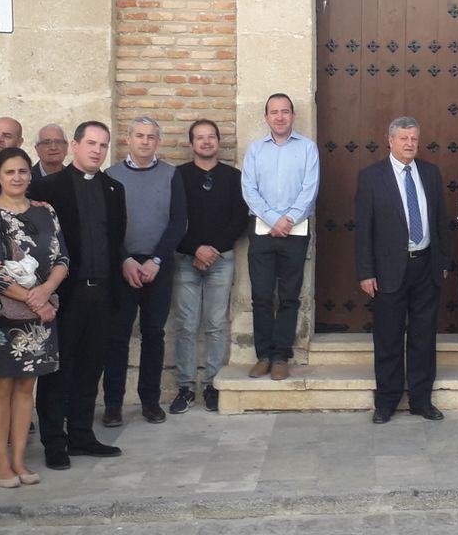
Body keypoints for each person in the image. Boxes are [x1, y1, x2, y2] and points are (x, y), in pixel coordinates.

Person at [30, 121, 127, 470]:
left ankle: (82, 435)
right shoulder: (47, 188)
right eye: (91, 143)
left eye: (103, 145)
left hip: (102, 292)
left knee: (90, 367)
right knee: (58, 372)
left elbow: (116, 240)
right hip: (65, 295)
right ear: (75, 146)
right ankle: (54, 443)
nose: (97, 150)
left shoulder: (114, 189)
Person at [0, 147, 67, 488]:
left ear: (30, 175)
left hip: (40, 316)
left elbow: (62, 258)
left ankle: (19, 460)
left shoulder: (45, 211)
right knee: (0, 387)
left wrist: (46, 292)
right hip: (3, 316)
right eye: (10, 171)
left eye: (23, 171)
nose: (17, 177)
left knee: (27, 387)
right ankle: (1, 463)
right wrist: (34, 299)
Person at [356, 117, 453, 423]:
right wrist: (366, 271)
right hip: (388, 269)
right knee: (388, 337)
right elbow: (363, 229)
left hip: (426, 265)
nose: (410, 143)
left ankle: (421, 401)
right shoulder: (371, 177)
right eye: (403, 138)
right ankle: (386, 402)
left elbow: (440, 220)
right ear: (390, 141)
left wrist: (442, 261)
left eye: (414, 138)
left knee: (424, 337)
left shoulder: (430, 173)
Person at [104, 118, 187, 426]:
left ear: (158, 141)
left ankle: (150, 401)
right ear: (128, 139)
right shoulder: (111, 176)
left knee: (154, 333)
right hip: (122, 266)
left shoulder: (171, 175)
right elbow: (107, 225)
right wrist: (125, 259)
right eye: (139, 136)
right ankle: (113, 404)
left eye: (151, 137)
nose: (145, 141)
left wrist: (157, 260)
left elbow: (178, 221)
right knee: (117, 335)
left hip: (157, 266)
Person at [171, 119, 249, 414]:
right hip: (186, 259)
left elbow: (239, 218)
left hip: (221, 260)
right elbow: (173, 218)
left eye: (211, 137)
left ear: (218, 141)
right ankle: (185, 387)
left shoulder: (233, 177)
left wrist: (213, 250)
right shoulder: (177, 176)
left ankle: (213, 385)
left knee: (216, 325)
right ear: (191, 143)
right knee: (186, 326)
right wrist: (195, 249)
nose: (206, 142)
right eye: (200, 137)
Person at [241, 94, 319, 380]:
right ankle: (263, 355)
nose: (280, 117)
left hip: (295, 232)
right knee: (261, 296)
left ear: (293, 116)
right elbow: (249, 189)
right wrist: (274, 219)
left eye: (285, 111)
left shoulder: (308, 148)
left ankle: (281, 356)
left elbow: (310, 188)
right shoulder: (254, 150)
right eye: (274, 112)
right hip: (262, 232)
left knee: (289, 296)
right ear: (266, 117)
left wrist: (288, 219)